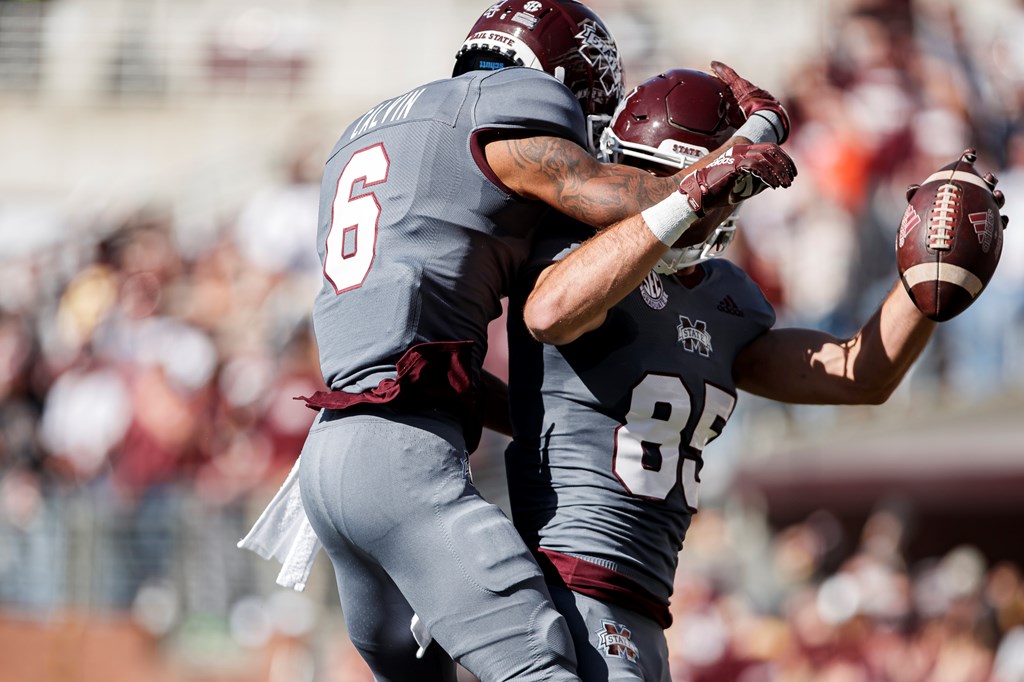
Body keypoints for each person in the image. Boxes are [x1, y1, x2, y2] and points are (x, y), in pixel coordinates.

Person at [239, 1, 796, 678]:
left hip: (330, 455)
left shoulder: (364, 131)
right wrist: (740, 150)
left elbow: (434, 361)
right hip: (404, 461)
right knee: (540, 663)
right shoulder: (513, 105)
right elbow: (625, 199)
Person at [503, 66, 1002, 680]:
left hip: (641, 605)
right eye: (675, 181)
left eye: (724, 190)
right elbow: (548, 313)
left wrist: (929, 276)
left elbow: (857, 375)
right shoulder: (580, 253)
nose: (709, 205)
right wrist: (692, 191)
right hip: (564, 581)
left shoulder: (725, 299)